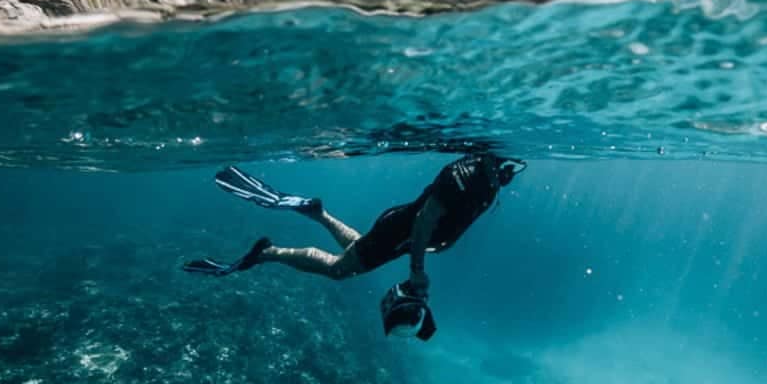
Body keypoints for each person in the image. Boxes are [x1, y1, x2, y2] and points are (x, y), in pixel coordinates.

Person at [182, 152, 526, 300]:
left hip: (399, 233)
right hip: (405, 232)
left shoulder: (488, 175)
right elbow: (424, 224)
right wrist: (417, 270)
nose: (509, 173)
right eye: (505, 169)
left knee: (359, 249)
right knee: (340, 269)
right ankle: (269, 252)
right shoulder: (464, 177)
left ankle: (318, 214)